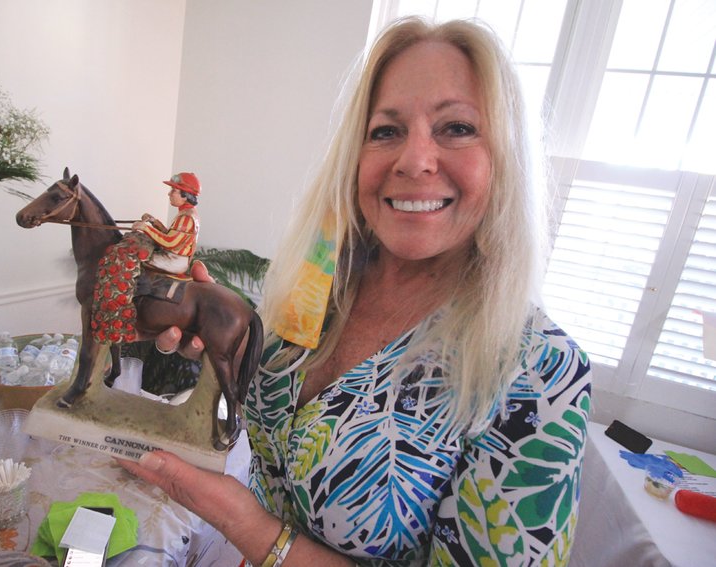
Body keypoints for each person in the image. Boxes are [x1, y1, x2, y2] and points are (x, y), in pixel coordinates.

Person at [119, 16, 592, 566]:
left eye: (457, 127)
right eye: (386, 131)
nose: (414, 160)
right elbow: (276, 431)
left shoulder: (541, 372)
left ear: (504, 159)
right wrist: (218, 330)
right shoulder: (319, 291)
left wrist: (246, 527)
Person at [91, 172, 200, 344]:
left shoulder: (187, 217)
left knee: (127, 257)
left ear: (185, 196)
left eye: (174, 191)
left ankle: (121, 303)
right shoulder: (184, 213)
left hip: (173, 260)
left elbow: (171, 243)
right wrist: (154, 223)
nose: (169, 194)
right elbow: (171, 234)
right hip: (173, 256)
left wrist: (146, 229)